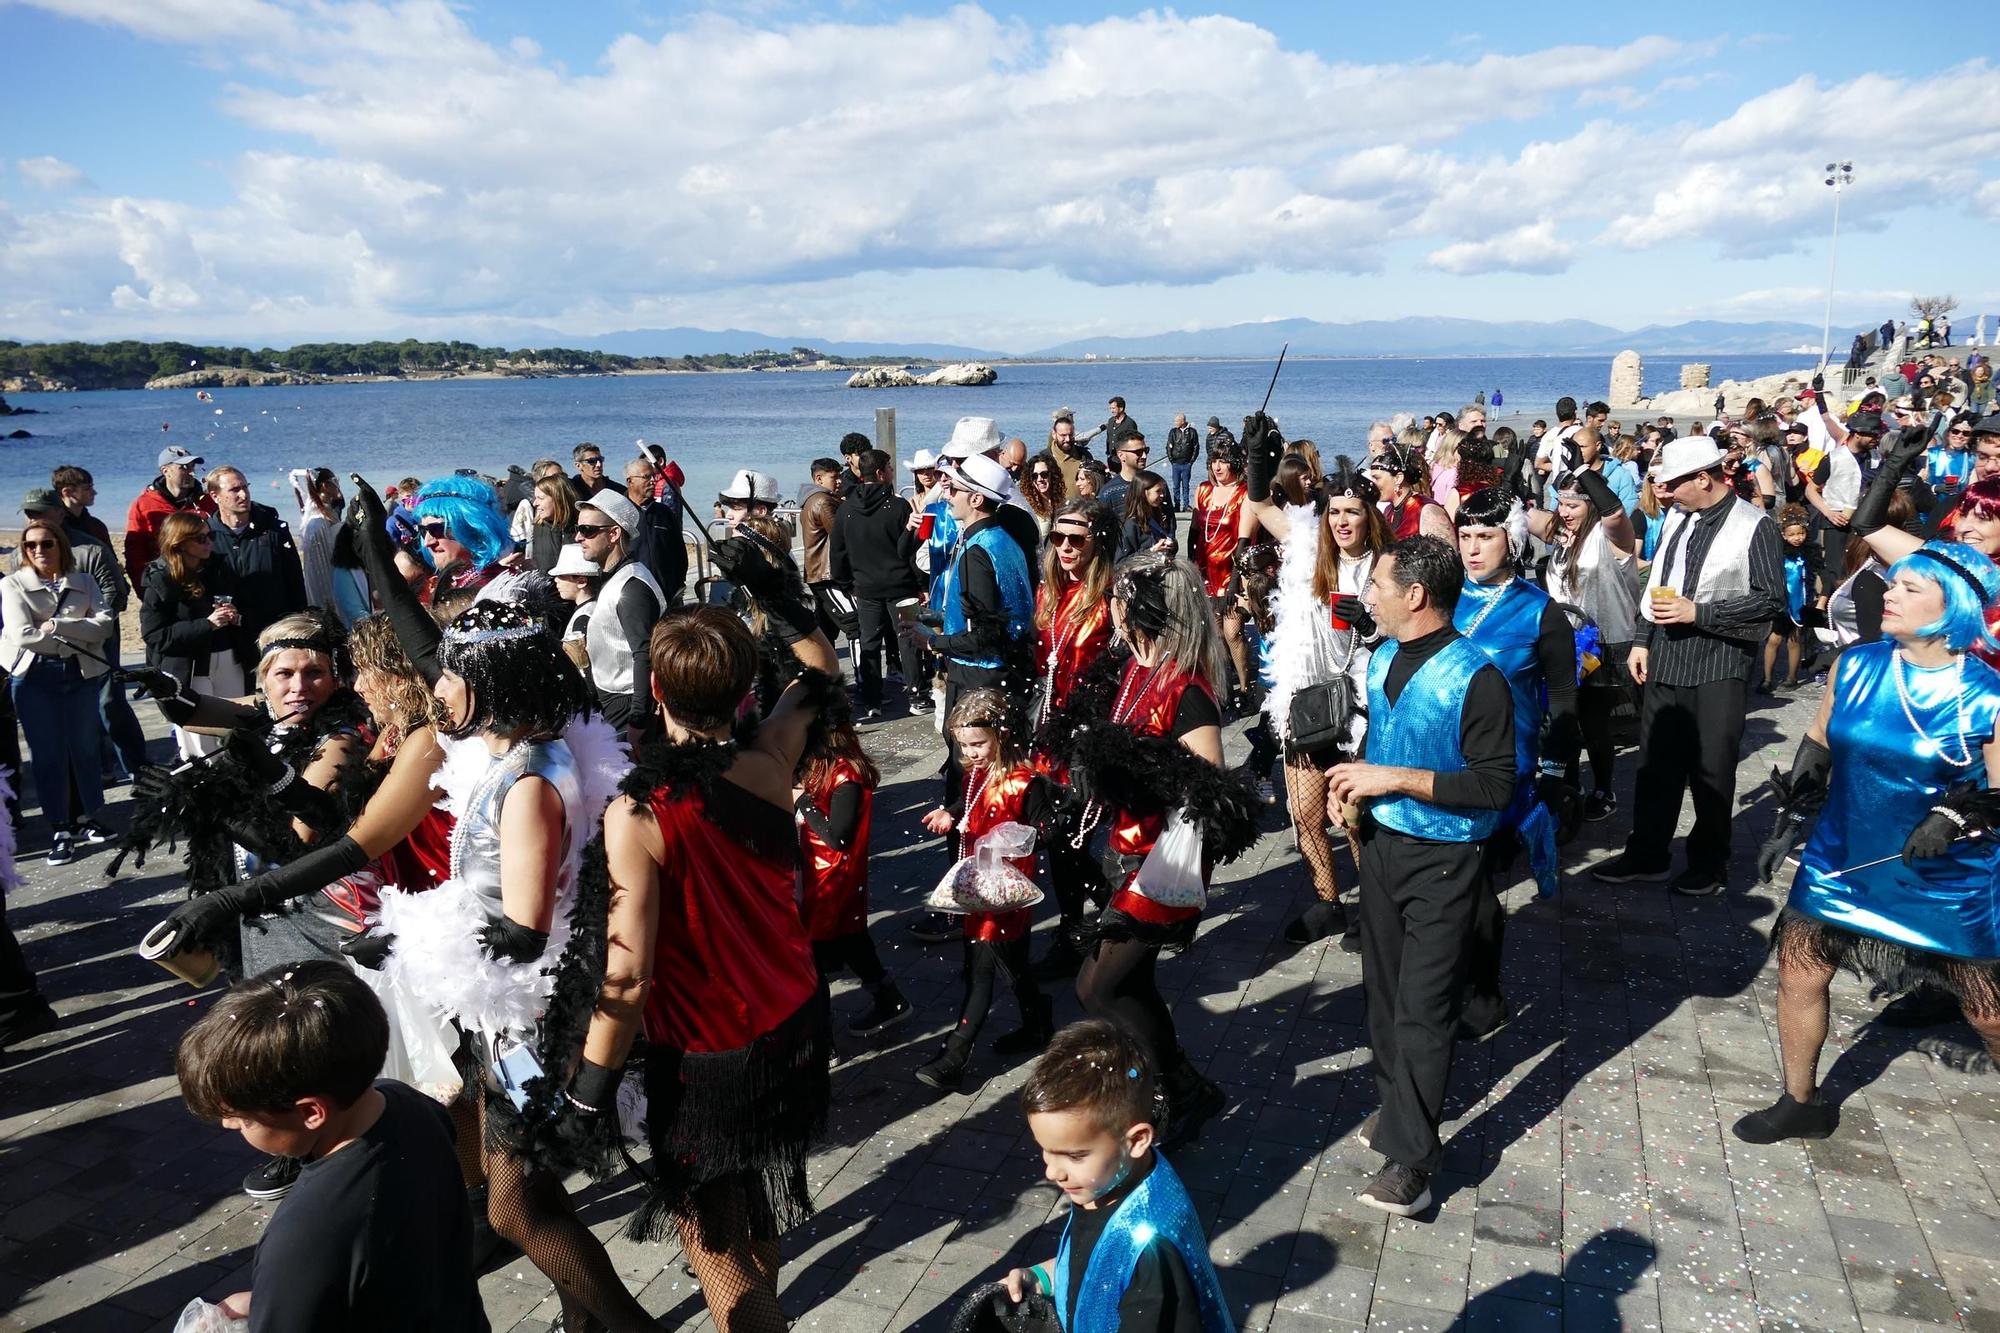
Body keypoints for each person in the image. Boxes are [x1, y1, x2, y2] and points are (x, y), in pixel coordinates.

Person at [360, 599, 653, 1332]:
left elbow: (524, 931)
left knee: (513, 1205)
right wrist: (377, 559)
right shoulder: (522, 749)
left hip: (532, 1017)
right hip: (514, 1014)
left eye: (456, 674)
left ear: (492, 683)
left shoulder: (527, 784)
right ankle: (584, 1323)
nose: (440, 688)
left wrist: (412, 936)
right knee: (534, 1194)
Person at [574, 609, 834, 1333]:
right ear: (747, 687)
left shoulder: (640, 810)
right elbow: (818, 677)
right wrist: (786, 597)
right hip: (795, 1024)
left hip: (705, 1057)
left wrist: (589, 1090)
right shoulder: (772, 760)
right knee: (755, 1207)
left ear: (655, 688)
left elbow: (626, 978)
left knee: (715, 1243)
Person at [1739, 541, 2000, 1142]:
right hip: (1843, 851)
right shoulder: (1855, 664)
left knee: (1987, 1011)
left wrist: (1953, 819)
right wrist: (1790, 820)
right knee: (1799, 974)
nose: (1889, 594)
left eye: (1910, 589)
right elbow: (1819, 739)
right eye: (1893, 584)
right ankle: (1800, 1101)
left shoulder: (1987, 694)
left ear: (1951, 607)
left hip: (1946, 874)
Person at [1327, 536, 1516, 1216]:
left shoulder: (1477, 676)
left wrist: (1395, 778)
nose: (1367, 594)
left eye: (1377, 583)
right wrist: (1351, 791)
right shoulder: (1380, 658)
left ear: (1414, 595)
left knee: (1424, 1008)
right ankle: (1397, 1111)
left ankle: (1415, 1162)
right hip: (1380, 850)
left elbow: (1495, 786)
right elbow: (1380, 746)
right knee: (1382, 999)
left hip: (1446, 860)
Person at [1042, 553, 1249, 1148]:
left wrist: (1128, 761)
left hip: (1161, 865)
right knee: (1125, 985)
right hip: (1123, 849)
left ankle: (1181, 1090)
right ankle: (1177, 1087)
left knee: (1098, 988)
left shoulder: (1187, 692)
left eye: (1121, 599)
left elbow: (1214, 791)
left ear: (1144, 611)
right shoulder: (1129, 668)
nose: (1109, 606)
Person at [177, 962, 487, 1332]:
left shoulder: (304, 1234)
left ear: (311, 1113)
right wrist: (270, 1301)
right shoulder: (408, 1104)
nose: (228, 1125)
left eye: (243, 1119)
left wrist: (275, 1302)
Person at [1593, 435, 1784, 897]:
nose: (1665, 492)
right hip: (1667, 661)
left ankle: (1709, 863)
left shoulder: (1754, 525)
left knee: (1712, 771)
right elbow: (1658, 581)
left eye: (1674, 483)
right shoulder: (1682, 518)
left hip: (1719, 665)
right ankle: (1647, 854)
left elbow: (1771, 600)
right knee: (1655, 766)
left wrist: (1700, 613)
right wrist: (1642, 639)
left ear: (1704, 478)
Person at [998, 1020, 1232, 1333]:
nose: (1052, 1172)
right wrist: (1042, 1278)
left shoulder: (1151, 1251)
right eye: (1045, 1150)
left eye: (1075, 1155)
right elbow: (1097, 1265)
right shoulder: (1105, 1181)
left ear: (1136, 1141)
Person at [1451, 487, 1578, 1032]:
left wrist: (1555, 773)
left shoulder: (1539, 610)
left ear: (1513, 540)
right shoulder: (1437, 595)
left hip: (1505, 768)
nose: (1473, 549)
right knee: (1445, 883)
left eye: (1486, 536)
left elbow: (1566, 699)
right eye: (1464, 537)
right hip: (1436, 761)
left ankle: (1485, 992)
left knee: (1478, 888)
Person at [1264, 462, 1383, 947]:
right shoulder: (1313, 557)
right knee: (1306, 811)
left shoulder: (1388, 565)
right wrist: (1259, 460)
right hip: (1308, 698)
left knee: (1353, 816)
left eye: (1352, 511)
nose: (1342, 521)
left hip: (1363, 707)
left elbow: (1414, 638)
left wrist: (1372, 628)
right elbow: (1260, 505)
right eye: (1334, 511)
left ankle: (1373, 913)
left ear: (1368, 515)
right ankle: (1328, 903)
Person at [915, 689, 1056, 1090]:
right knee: (1010, 965)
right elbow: (970, 799)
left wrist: (1013, 841)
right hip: (978, 887)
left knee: (982, 968)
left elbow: (1048, 829)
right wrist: (951, 811)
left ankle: (955, 1053)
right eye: (963, 745)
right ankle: (1037, 1019)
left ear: (1002, 736)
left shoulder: (1025, 782)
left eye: (978, 744)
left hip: (1007, 892)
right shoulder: (977, 770)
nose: (971, 752)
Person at [1029, 500, 1118, 979]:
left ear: (1097, 542)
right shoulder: (1051, 591)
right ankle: (1072, 929)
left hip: (1091, 736)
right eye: (1058, 538)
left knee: (1077, 837)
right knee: (1057, 839)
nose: (1064, 547)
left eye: (1076, 539)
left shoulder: (1112, 599)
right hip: (1049, 732)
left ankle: (1116, 918)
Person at [913, 453, 1037, 792]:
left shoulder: (978, 551)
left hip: (977, 676)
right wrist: (939, 617)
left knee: (968, 777)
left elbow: (984, 636)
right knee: (997, 772)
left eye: (954, 489)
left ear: (976, 498)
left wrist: (932, 642)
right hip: (1003, 671)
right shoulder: (1002, 539)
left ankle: (966, 843)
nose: (947, 495)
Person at [2, 519, 116, 862]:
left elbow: (106, 624)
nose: (39, 551)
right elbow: (22, 634)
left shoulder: (83, 580)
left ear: (60, 546)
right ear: (24, 551)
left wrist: (57, 626)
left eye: (47, 544)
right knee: (47, 753)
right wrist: (77, 634)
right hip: (34, 676)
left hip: (80, 672)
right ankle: (59, 827)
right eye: (31, 545)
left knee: (84, 747)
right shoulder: (12, 584)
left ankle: (88, 816)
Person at [1534, 467, 1639, 821]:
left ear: (1590, 506)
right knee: (1563, 719)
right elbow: (1517, 514)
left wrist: (1584, 471)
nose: (1564, 511)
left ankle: (1603, 789)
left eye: (1573, 505)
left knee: (1594, 724)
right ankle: (1569, 784)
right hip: (1564, 642)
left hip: (1605, 642)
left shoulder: (1610, 536)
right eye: (1560, 503)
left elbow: (1616, 511)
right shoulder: (1562, 537)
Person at [22, 486, 148, 781]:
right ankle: (96, 771)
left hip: (98, 638)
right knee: (69, 708)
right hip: (50, 643)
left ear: (60, 512)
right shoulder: (24, 552)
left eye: (40, 513)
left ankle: (137, 767)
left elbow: (116, 594)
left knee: (108, 702)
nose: (34, 519)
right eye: (29, 515)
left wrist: (80, 626)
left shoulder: (89, 549)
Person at [796, 714, 909, 1037]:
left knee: (815, 962)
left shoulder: (846, 776)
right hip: (817, 875)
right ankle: (889, 1000)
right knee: (852, 940)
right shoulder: (820, 764)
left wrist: (803, 801)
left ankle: (822, 1039)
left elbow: (838, 837)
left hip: (831, 880)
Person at [141, 511, 251, 759]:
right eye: (201, 539)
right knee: (199, 744)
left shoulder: (219, 567)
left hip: (228, 656)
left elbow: (244, 606)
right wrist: (207, 624)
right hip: (188, 667)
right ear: (179, 544)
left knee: (237, 729)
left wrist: (236, 617)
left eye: (210, 536)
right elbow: (154, 635)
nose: (210, 543)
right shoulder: (160, 578)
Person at [830, 448, 927, 720]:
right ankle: (916, 694)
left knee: (869, 641)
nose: (893, 474)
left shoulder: (846, 508)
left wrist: (847, 582)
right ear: (882, 472)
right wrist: (920, 582)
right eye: (891, 469)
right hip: (900, 585)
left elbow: (837, 552)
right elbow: (906, 551)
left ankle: (871, 697)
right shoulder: (898, 506)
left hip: (865, 587)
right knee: (908, 638)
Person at [573, 489, 665, 736]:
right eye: (578, 528)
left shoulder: (631, 586)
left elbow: (645, 654)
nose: (578, 537)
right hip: (614, 697)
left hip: (627, 702)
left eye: (588, 530)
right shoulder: (615, 577)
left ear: (614, 534)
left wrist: (638, 719)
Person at [205, 466, 309, 640]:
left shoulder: (274, 531)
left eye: (245, 487)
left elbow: (295, 583)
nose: (244, 495)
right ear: (215, 496)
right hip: (225, 637)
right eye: (235, 490)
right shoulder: (206, 536)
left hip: (273, 631)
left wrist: (297, 625)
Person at [1189, 445, 1248, 699]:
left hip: (1230, 570)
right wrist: (1191, 570)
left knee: (1232, 632)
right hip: (1204, 571)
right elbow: (1193, 531)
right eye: (1214, 461)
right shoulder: (1203, 490)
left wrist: (1236, 583)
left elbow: (1245, 541)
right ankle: (1221, 685)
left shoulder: (1243, 494)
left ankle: (1245, 686)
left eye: (1223, 461)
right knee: (1213, 633)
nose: (1218, 466)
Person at [125, 445, 213, 588]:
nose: (191, 472)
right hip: (162, 582)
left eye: (192, 467)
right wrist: (144, 589)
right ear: (166, 471)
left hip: (204, 581)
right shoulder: (143, 505)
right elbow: (135, 553)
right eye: (183, 467)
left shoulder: (207, 502)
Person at [1759, 505, 1819, 693]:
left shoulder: (1808, 553)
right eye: (1792, 534)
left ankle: (1792, 677)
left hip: (1800, 604)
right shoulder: (1779, 553)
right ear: (1783, 535)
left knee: (1794, 641)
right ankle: (1767, 678)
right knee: (1774, 641)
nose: (1797, 538)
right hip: (1782, 603)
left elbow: (1815, 576)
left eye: (1800, 533)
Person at [624, 456, 687, 605]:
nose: (653, 480)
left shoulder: (663, 513)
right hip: (634, 595)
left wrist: (679, 583)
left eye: (654, 476)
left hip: (668, 592)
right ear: (630, 481)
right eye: (646, 477)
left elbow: (679, 551)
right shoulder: (619, 512)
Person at [290, 467, 345, 615]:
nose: (338, 484)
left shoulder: (329, 513)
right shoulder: (317, 523)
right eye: (335, 481)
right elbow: (320, 570)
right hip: (330, 589)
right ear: (325, 486)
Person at [1369, 445, 1452, 543]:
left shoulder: (1426, 511)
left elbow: (1447, 554)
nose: (1372, 483)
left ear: (1398, 478)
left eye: (1377, 478)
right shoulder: (1389, 510)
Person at [549, 542, 602, 669]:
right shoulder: (594, 608)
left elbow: (582, 668)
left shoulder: (583, 617)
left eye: (562, 576)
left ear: (582, 581)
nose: (556, 580)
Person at [798, 457, 843, 590]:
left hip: (816, 572)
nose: (839, 481)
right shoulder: (823, 501)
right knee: (848, 611)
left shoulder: (811, 498)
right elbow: (840, 535)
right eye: (834, 477)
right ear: (819, 478)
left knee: (823, 610)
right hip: (825, 574)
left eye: (840, 476)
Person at [1117, 470, 1178, 561]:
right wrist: (1151, 552)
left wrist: (1171, 545)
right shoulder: (1131, 524)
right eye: (1158, 491)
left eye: (1162, 491)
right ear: (1144, 493)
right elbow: (1120, 562)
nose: (1162, 495)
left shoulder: (1155, 517)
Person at [527, 474, 576, 575]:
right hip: (544, 588)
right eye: (535, 498)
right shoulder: (536, 528)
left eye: (540, 498)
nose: (535, 503)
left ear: (558, 499)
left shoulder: (582, 528)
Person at [1097, 432, 1152, 519]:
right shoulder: (1108, 492)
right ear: (1121, 455)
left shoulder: (1156, 484)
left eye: (1146, 450)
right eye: (1138, 452)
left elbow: (1170, 521)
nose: (1144, 456)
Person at [1021, 450, 1068, 535]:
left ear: (1052, 475)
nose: (1039, 479)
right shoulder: (1027, 507)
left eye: (1044, 474)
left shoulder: (1062, 503)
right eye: (1034, 476)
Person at [1082, 396, 1141, 462]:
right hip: (1111, 458)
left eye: (1113, 408)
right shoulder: (1110, 421)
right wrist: (1108, 454)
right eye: (1110, 408)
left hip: (1124, 459)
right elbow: (1109, 439)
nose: (1111, 411)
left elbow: (1134, 443)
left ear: (1121, 408)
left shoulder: (1130, 423)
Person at [1165, 413, 1200, 510]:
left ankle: (1186, 505)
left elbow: (1196, 447)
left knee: (1185, 485)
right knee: (1176, 485)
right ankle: (1176, 504)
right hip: (1176, 463)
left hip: (1186, 463)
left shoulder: (1192, 432)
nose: (1175, 423)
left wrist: (1191, 462)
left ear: (1182, 421)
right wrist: (1171, 460)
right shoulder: (1173, 432)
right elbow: (1168, 446)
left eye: (1177, 421)